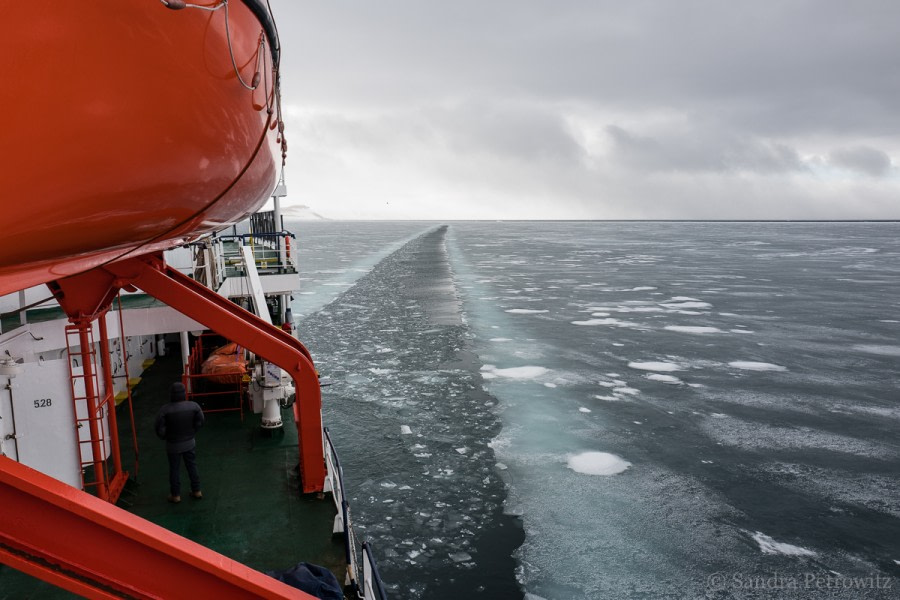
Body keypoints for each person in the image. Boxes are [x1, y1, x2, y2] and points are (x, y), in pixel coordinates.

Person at [155, 382, 205, 503]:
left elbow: (159, 428)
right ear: (184, 394)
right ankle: (197, 490)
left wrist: (166, 436)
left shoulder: (165, 410)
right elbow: (200, 421)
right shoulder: (194, 406)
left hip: (173, 444)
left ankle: (175, 495)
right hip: (189, 442)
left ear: (171, 394)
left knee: (174, 469)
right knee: (192, 466)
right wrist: (192, 432)